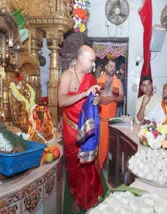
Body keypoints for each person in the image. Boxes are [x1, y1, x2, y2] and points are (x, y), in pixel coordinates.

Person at [58, 45, 103, 212]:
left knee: (88, 165)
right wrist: (84, 94)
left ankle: (89, 196)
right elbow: (61, 102)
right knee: (75, 167)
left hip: (87, 128)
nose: (93, 65)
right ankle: (77, 197)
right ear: (82, 58)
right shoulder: (67, 75)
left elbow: (93, 104)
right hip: (71, 130)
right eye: (91, 60)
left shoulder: (91, 79)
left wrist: (95, 101)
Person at [97, 59, 124, 171]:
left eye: (114, 66)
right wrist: (101, 99)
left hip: (112, 121)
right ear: (106, 68)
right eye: (110, 66)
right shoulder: (98, 80)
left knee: (110, 144)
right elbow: (93, 96)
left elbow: (121, 97)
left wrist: (112, 98)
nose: (112, 68)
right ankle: (99, 163)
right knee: (99, 143)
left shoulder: (118, 82)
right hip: (100, 119)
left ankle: (107, 163)